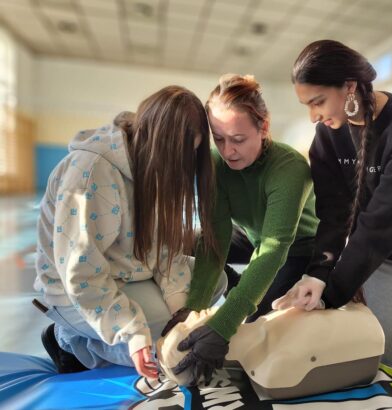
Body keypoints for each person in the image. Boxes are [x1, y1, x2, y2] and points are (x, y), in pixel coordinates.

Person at [272, 40, 392, 369]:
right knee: (357, 341)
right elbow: (333, 213)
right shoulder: (328, 135)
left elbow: (380, 224)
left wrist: (333, 292)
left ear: (348, 87)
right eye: (307, 105)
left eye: (318, 102)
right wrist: (318, 275)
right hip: (377, 252)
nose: (313, 116)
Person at [34, 86, 220, 378]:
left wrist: (181, 314)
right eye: (180, 156)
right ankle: (70, 341)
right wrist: (132, 332)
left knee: (211, 281)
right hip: (76, 290)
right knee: (159, 336)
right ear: (159, 142)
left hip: (129, 272)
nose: (183, 166)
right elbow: (80, 274)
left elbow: (163, 250)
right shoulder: (91, 173)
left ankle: (144, 331)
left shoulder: (153, 164)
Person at [163, 74, 318, 383]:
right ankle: (235, 283)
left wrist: (222, 326)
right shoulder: (216, 163)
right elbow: (215, 238)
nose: (228, 151)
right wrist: (193, 308)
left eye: (238, 139)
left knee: (253, 328)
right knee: (182, 243)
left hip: (298, 245)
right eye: (218, 138)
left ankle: (241, 288)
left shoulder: (289, 168)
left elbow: (273, 250)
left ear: (263, 128)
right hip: (250, 234)